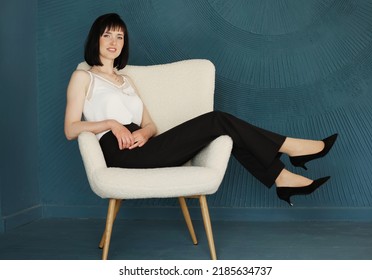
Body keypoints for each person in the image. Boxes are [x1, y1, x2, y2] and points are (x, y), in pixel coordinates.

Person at [64, 13, 338, 206]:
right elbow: (71, 129)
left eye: (120, 37)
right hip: (122, 153)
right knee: (218, 120)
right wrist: (111, 124)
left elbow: (150, 124)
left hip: (146, 145)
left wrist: (146, 133)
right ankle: (290, 148)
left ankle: (283, 177)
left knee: (228, 135)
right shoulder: (84, 77)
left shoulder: (127, 80)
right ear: (96, 39)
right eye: (107, 35)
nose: (114, 42)